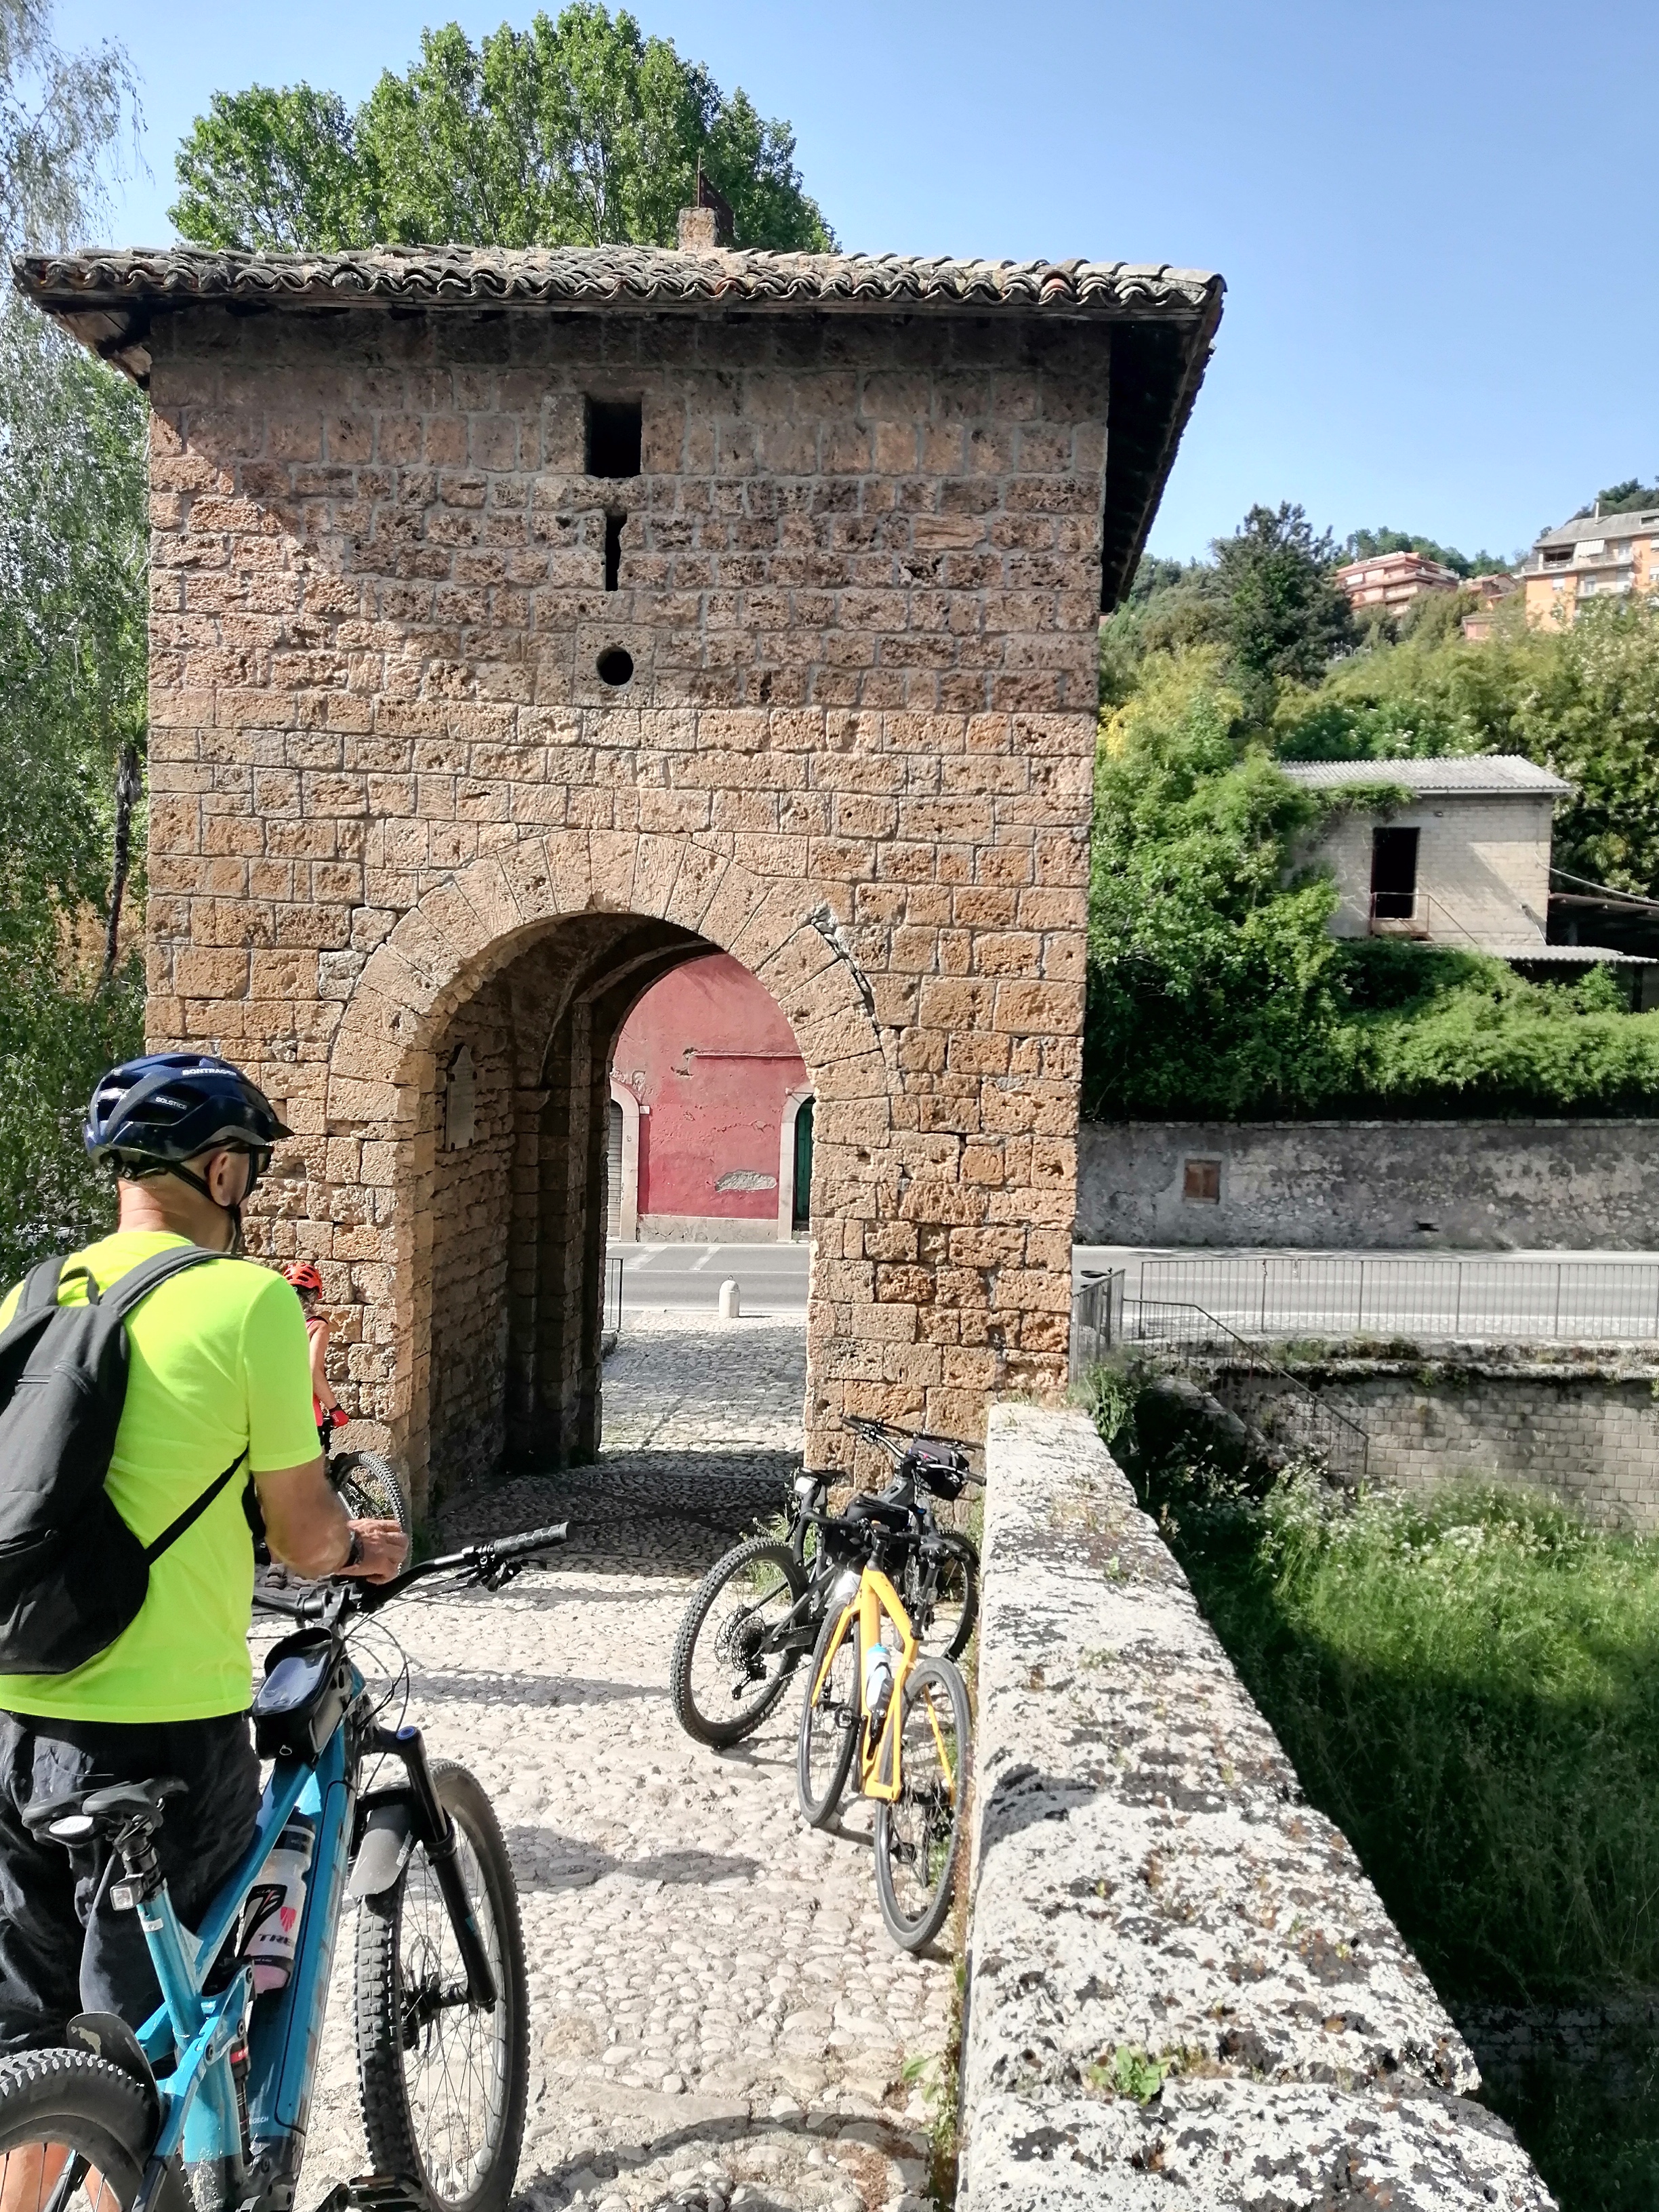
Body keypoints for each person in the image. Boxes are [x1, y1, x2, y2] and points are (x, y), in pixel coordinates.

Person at [0, 1053, 408, 2068]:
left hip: (14, 1713)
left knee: (31, 2055)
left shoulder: (31, 1293)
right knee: (150, 2057)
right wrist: (360, 1548)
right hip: (164, 1730)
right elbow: (305, 1537)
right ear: (222, 1172)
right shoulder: (250, 1302)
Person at [279, 1260, 342, 1436]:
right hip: (302, 1412)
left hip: (267, 1408)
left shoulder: (271, 1323)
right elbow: (313, 1371)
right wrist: (335, 1409)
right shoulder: (316, 1326)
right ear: (314, 1296)